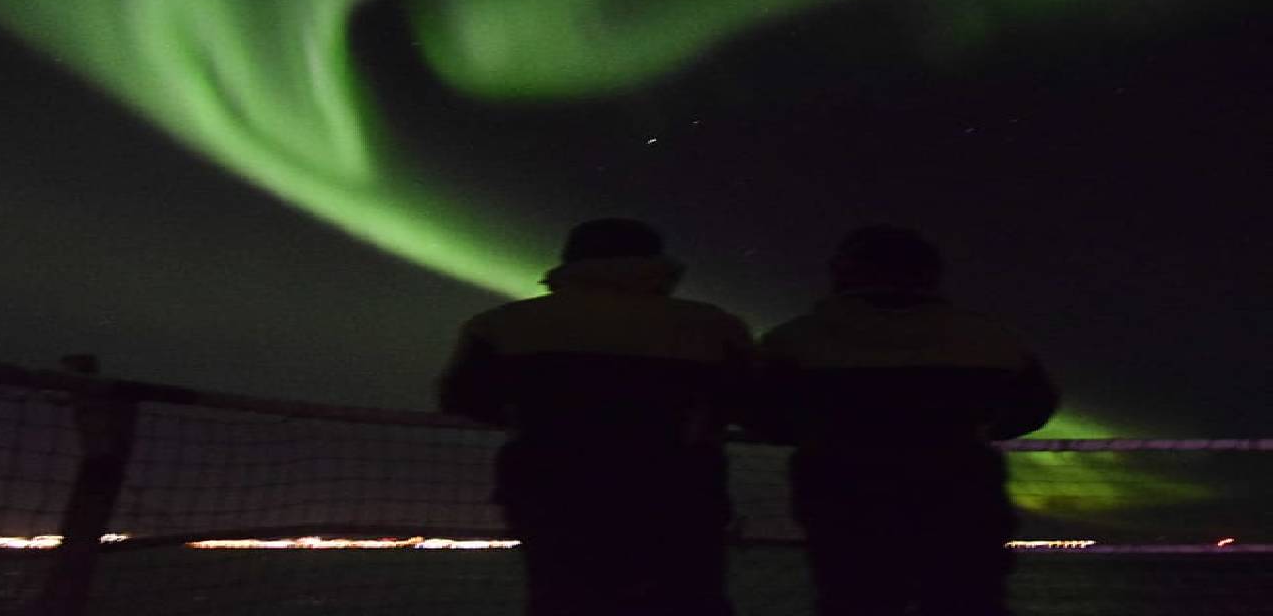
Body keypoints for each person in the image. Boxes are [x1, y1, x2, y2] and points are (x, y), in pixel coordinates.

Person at [439, 218, 752, 616]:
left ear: (570, 260)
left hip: (551, 491)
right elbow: (748, 401)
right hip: (678, 493)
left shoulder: (501, 324)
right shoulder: (712, 325)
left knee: (564, 599)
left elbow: (462, 396)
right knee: (685, 599)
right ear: (657, 262)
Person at [747, 225, 1058, 616]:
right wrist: (983, 430)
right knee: (965, 598)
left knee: (854, 597)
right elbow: (1034, 406)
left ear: (843, 273)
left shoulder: (795, 340)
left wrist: (810, 435)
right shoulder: (987, 337)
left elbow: (757, 410)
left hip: (843, 493)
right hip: (959, 490)